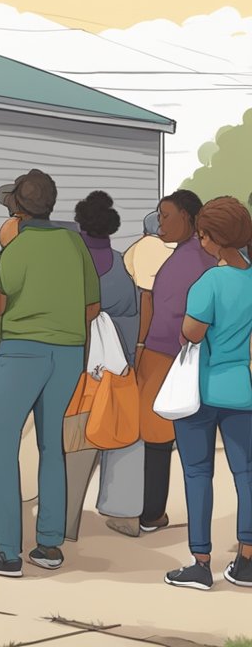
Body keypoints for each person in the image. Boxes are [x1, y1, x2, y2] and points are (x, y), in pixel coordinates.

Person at [0, 170, 100, 578]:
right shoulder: (72, 241)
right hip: (66, 353)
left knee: (1, 445)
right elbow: (92, 308)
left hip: (21, 352)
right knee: (52, 446)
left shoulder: (17, 245)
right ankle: (49, 543)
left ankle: (8, 550)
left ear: (17, 207)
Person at [166, 197, 252, 590]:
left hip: (201, 391)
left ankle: (201, 563)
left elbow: (191, 333)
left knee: (198, 473)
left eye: (203, 235)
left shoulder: (209, 283)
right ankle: (247, 560)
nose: (200, 242)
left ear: (215, 238)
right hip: (241, 390)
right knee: (247, 474)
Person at [64, 192, 145, 541]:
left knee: (76, 442)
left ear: (81, 225)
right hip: (119, 366)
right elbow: (134, 316)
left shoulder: (70, 262)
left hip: (78, 367)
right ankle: (125, 513)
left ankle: (66, 521)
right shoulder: (122, 265)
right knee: (125, 433)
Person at [136, 190, 213, 535]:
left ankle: (152, 512)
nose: (160, 222)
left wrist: (142, 350)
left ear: (189, 218)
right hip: (179, 355)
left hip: (167, 355)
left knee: (156, 438)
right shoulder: (193, 256)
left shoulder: (195, 260)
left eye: (166, 215)